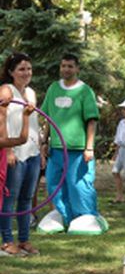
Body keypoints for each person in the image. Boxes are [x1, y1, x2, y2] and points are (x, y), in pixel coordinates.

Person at [37, 53, 105, 235]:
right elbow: (47, 119)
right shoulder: (53, 89)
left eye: (70, 66)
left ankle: (88, 216)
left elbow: (91, 120)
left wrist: (89, 147)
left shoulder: (84, 91)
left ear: (77, 69)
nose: (66, 69)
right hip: (56, 149)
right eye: (63, 66)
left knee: (79, 184)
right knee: (54, 183)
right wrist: (44, 142)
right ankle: (65, 216)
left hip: (78, 149)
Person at [0, 53, 39, 255]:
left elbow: (34, 123)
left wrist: (41, 150)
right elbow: (1, 120)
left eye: (29, 69)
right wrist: (7, 151)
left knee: (27, 198)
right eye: (21, 69)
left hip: (32, 151)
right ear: (11, 72)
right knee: (9, 197)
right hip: (15, 151)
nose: (26, 73)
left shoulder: (31, 93)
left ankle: (24, 239)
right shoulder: (6, 91)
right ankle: (7, 240)